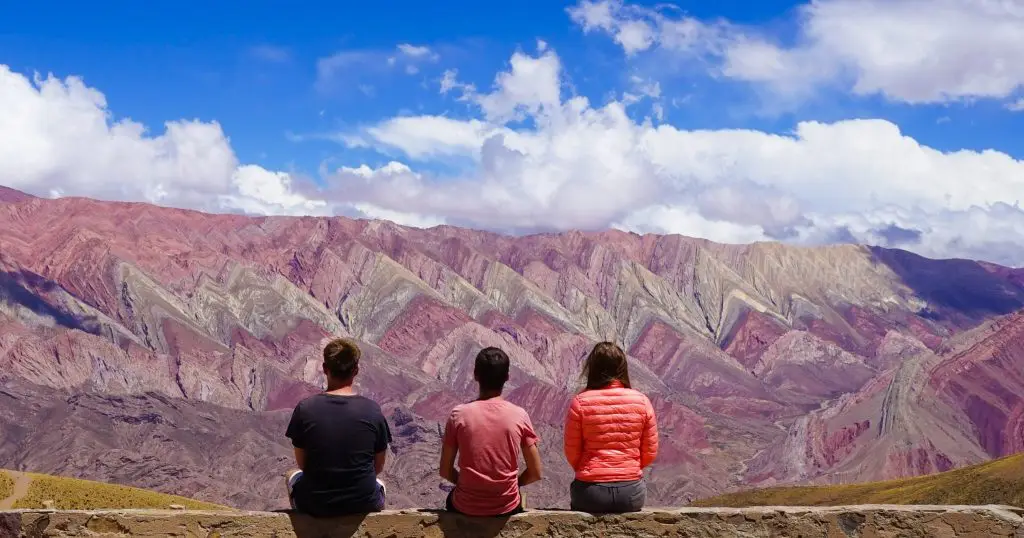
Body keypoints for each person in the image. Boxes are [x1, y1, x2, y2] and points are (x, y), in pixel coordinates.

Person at [285, 338, 392, 516]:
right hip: (362, 503)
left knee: (292, 475)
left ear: (325, 369)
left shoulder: (305, 409)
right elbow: (378, 466)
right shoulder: (372, 411)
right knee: (380, 484)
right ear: (356, 371)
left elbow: (302, 464)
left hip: (315, 503)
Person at [439, 347, 543, 516]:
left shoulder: (459, 415)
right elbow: (536, 472)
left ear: (475, 375)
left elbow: (445, 470)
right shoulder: (519, 415)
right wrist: (513, 485)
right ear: (507, 377)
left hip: (465, 506)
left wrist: (469, 486)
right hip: (506, 506)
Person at [563, 342, 658, 513]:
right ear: (622, 368)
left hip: (590, 492)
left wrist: (589, 470)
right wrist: (628, 468)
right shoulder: (642, 401)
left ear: (592, 368)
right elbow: (649, 451)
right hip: (631, 493)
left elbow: (572, 451)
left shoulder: (580, 402)